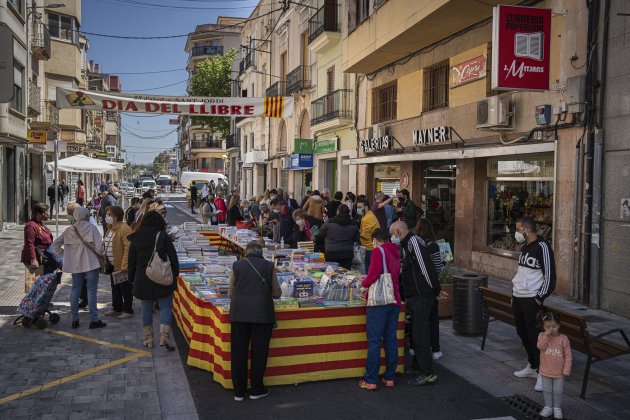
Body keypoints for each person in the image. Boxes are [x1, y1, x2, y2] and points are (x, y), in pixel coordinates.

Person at [390, 221, 445, 386]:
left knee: (421, 335)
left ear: (399, 232)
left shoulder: (414, 241)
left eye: (393, 234)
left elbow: (426, 267)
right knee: (415, 334)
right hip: (414, 295)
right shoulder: (408, 244)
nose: (392, 238)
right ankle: (418, 366)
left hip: (422, 295)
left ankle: (428, 373)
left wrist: (436, 290)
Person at [228, 242, 282, 401]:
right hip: (262, 314)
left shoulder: (236, 265)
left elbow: (231, 292)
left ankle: (239, 391)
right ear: (261, 252)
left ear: (246, 252)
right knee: (260, 352)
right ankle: (256, 389)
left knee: (239, 352)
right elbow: (277, 293)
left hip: (239, 313)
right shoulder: (269, 265)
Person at [511, 216, 556, 392]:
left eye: (517, 228)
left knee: (534, 336)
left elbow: (550, 276)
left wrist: (539, 297)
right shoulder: (524, 248)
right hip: (519, 297)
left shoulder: (543, 247)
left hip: (531, 299)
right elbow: (521, 273)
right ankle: (532, 365)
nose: (516, 232)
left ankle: (542, 373)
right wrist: (514, 293)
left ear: (526, 230)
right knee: (522, 332)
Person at [128, 211, 179, 350]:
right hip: (161, 276)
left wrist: (131, 279)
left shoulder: (136, 237)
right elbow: (173, 257)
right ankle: (164, 336)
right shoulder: (162, 236)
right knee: (165, 307)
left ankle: (149, 339)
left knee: (146, 308)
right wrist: (175, 274)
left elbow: (131, 261)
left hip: (142, 277)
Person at [358, 228, 402, 390]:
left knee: (375, 341)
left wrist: (363, 283)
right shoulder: (395, 251)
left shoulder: (378, 252)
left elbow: (373, 275)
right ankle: (390, 377)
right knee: (391, 340)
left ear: (376, 239)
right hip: (394, 299)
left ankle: (370, 380)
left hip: (379, 303)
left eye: (373, 241)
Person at [52, 207, 106, 329]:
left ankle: (75, 320)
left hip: (75, 264)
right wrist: (99, 255)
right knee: (91, 291)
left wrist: (65, 255)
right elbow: (99, 247)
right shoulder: (92, 228)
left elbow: (55, 245)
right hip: (91, 263)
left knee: (75, 290)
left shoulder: (69, 230)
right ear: (86, 216)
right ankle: (94, 319)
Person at [416, 218, 445, 360]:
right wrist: (445, 262)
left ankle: (414, 348)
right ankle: (435, 349)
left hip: (418, 286)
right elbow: (438, 268)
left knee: (418, 319)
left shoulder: (415, 244)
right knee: (433, 319)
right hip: (431, 286)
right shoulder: (434, 246)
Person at [537, 311, 572, 419]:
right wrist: (546, 336)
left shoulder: (563, 339)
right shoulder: (542, 336)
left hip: (559, 371)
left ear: (559, 326)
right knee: (547, 389)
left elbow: (568, 355)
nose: (551, 329)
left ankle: (557, 407)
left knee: (558, 391)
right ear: (543, 326)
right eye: (547, 326)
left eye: (554, 326)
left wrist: (566, 369)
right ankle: (548, 406)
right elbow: (541, 347)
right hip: (545, 370)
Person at [102, 206, 134, 319]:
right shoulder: (111, 228)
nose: (107, 217)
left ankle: (128, 310)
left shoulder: (124, 228)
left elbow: (129, 247)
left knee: (125, 288)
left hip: (121, 265)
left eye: (109, 214)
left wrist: (124, 265)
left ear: (116, 216)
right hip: (112, 265)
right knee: (115, 288)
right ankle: (117, 308)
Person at [21, 202, 58, 281]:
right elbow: (29, 243)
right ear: (38, 213)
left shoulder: (40, 224)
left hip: (45, 258)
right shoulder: (31, 225)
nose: (47, 214)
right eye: (45, 212)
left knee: (46, 283)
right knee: (38, 285)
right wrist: (33, 259)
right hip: (38, 259)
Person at [317, 204, 358, 269]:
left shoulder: (329, 222)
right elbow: (356, 239)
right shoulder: (353, 224)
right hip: (347, 253)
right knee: (346, 275)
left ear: (338, 211)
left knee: (331, 273)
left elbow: (320, 235)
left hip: (331, 253)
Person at [357, 197, 380, 273]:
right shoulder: (367, 215)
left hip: (369, 248)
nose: (358, 209)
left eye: (360, 207)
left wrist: (357, 233)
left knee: (367, 271)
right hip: (370, 247)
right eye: (357, 207)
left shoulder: (368, 218)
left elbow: (366, 236)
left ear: (366, 207)